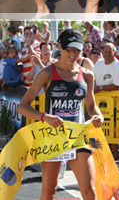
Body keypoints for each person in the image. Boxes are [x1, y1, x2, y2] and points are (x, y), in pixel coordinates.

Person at [18, 29, 104, 200]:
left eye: (77, 50)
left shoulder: (87, 75)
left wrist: (99, 116)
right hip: (53, 138)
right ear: (59, 47)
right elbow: (22, 107)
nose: (73, 54)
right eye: (69, 49)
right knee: (49, 192)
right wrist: (45, 117)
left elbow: (92, 106)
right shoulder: (47, 73)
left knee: (90, 192)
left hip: (77, 137)